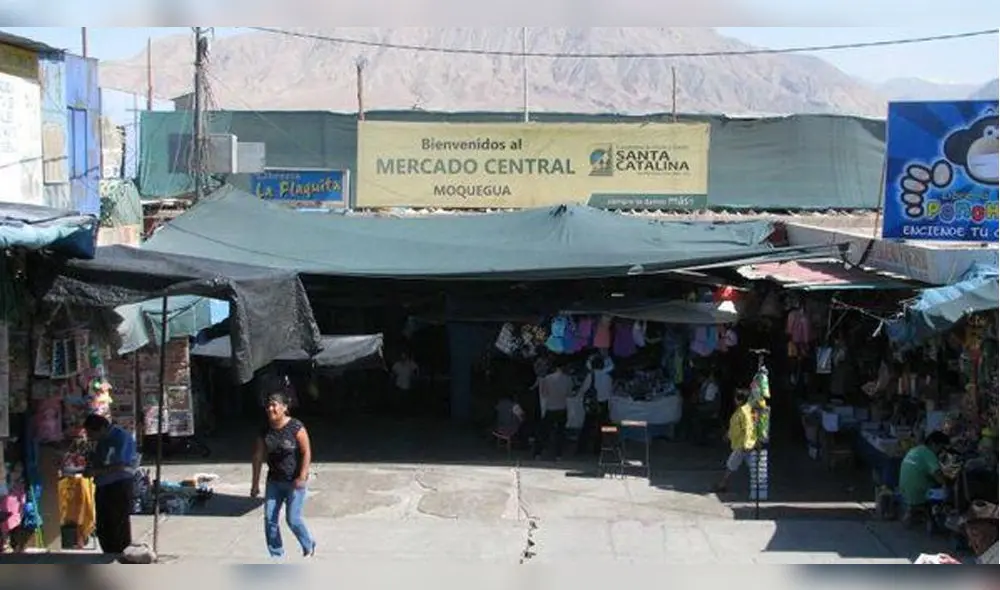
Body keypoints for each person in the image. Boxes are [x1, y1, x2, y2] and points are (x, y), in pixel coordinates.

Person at [251, 390, 317, 558]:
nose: (270, 408)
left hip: (294, 482)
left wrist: (302, 476)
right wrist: (255, 484)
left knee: (293, 519)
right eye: (268, 405)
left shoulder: (296, 427)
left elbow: (306, 451)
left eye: (274, 405)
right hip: (274, 481)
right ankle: (276, 555)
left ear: (284, 407)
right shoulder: (264, 430)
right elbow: (258, 457)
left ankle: (308, 544)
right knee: (269, 520)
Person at [83, 413, 136, 555]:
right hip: (103, 485)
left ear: (101, 428)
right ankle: (108, 552)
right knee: (103, 523)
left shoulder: (120, 438)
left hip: (119, 484)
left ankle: (120, 553)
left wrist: (97, 471)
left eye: (91, 433)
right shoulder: (102, 440)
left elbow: (120, 465)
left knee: (117, 522)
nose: (89, 436)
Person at [898, 431, 951, 526]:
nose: (941, 451)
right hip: (919, 495)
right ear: (934, 444)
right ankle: (936, 519)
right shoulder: (929, 454)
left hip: (904, 492)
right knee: (948, 491)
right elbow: (940, 478)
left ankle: (912, 511)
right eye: (941, 448)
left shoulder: (914, 450)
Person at [712, 389, 756, 493]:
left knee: (732, 465)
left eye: (735, 398)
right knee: (746, 466)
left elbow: (747, 429)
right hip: (741, 445)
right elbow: (735, 427)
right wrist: (728, 435)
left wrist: (746, 444)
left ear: (739, 400)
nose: (734, 400)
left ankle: (722, 484)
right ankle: (723, 484)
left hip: (743, 445)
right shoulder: (742, 411)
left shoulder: (744, 412)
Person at [533, 360, 573, 460]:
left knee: (544, 431)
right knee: (560, 432)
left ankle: (538, 452)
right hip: (562, 408)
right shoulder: (568, 379)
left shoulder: (547, 379)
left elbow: (544, 394)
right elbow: (569, 394)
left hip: (550, 408)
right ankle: (558, 454)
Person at [576, 353, 614, 455]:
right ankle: (597, 450)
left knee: (587, 426)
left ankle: (581, 448)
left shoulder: (590, 375)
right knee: (600, 428)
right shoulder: (608, 377)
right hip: (603, 404)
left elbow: (584, 389)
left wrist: (578, 395)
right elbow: (610, 392)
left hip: (593, 404)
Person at [691, 369, 722, 446]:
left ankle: (701, 438)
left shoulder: (711, 385)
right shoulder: (705, 384)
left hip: (710, 408)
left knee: (695, 415)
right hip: (707, 406)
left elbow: (709, 400)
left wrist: (698, 403)